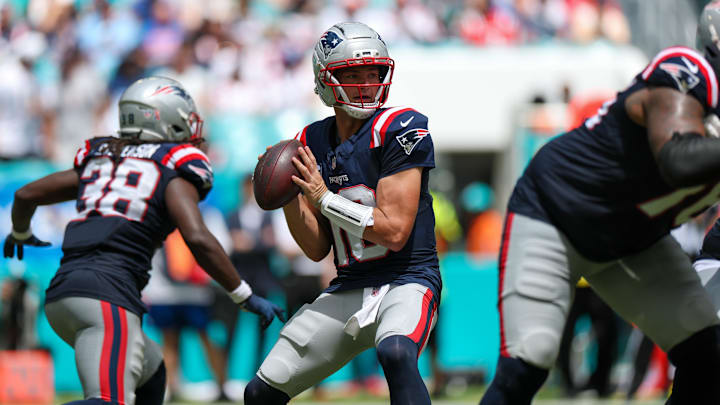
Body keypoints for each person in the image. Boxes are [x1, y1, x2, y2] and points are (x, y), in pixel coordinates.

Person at [479, 3, 720, 404]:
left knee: (707, 353)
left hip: (634, 237)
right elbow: (678, 158)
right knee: (529, 359)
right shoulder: (687, 69)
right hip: (557, 213)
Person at [3, 76, 284, 405]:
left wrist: (21, 232)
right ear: (163, 117)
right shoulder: (173, 168)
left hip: (64, 295)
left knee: (152, 375)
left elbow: (26, 194)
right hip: (106, 297)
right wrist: (242, 293)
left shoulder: (101, 160)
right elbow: (197, 236)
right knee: (108, 400)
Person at [244, 22, 441, 405]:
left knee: (397, 353)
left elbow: (396, 231)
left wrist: (321, 197)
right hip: (349, 283)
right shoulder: (310, 141)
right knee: (260, 392)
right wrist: (289, 195)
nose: (367, 84)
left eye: (373, 73)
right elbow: (317, 248)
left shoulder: (400, 127)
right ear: (325, 78)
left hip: (407, 278)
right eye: (353, 74)